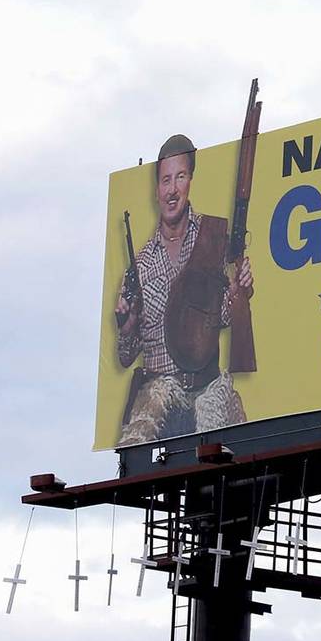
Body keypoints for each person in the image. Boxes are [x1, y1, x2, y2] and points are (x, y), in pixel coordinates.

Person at [115, 134, 252, 446]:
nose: (172, 189)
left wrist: (240, 290)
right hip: (160, 391)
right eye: (165, 180)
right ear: (157, 189)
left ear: (191, 179)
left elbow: (227, 317)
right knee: (139, 441)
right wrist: (128, 325)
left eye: (180, 177)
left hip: (207, 387)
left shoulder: (213, 236)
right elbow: (125, 356)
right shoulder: (141, 265)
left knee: (221, 451)